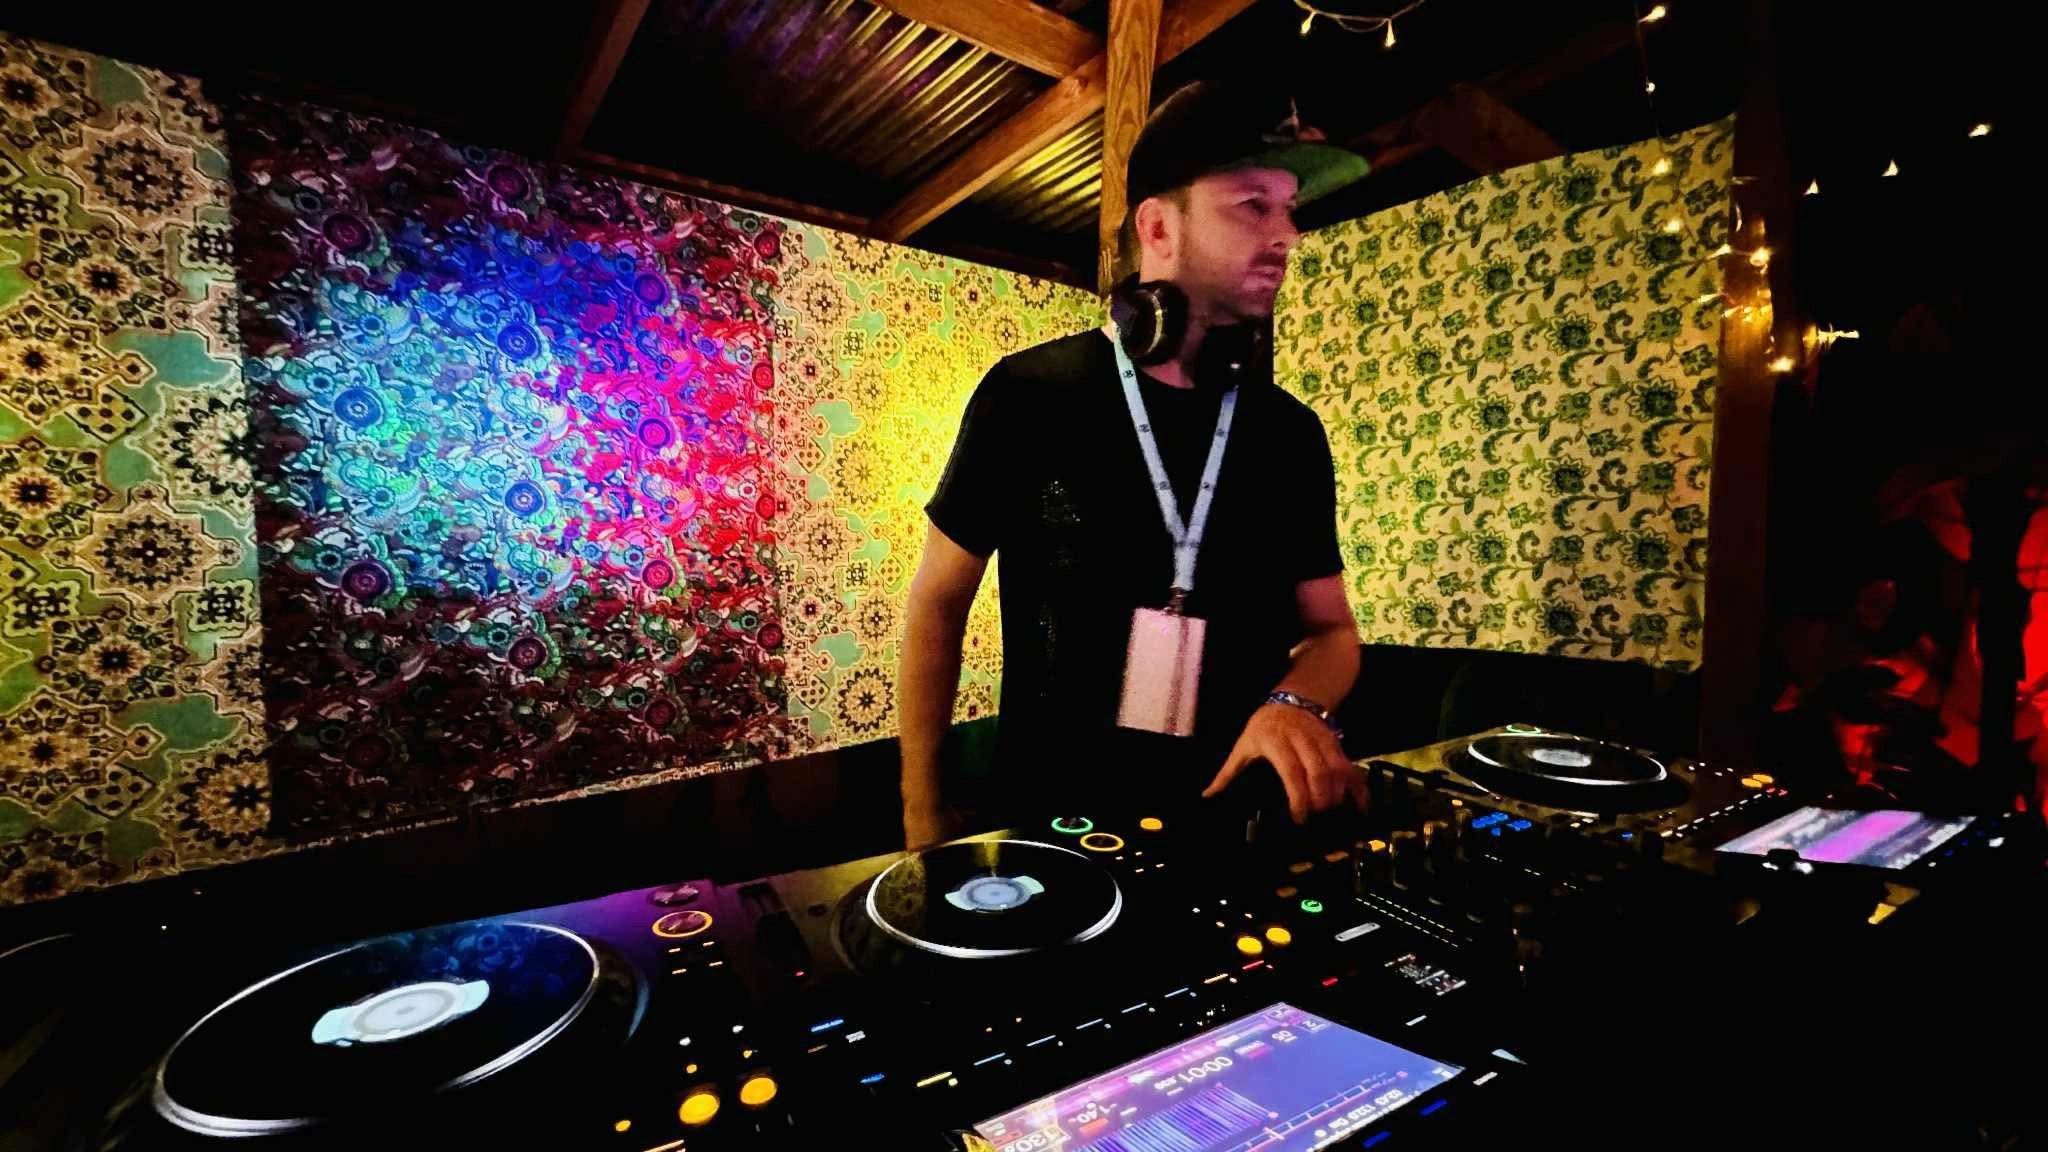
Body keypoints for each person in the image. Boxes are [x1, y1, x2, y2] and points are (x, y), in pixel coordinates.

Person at [899, 81, 1371, 849]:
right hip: (1047, 822)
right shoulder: (1029, 394)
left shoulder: (1291, 434)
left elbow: (1333, 634)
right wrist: (923, 806)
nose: (1287, 233)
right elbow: (939, 603)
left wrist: (1296, 703)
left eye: (1291, 208)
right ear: (1158, 226)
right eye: (1254, 203)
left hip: (1232, 819)